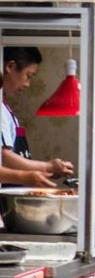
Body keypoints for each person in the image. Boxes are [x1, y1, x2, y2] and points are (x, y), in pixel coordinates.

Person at [0, 47, 71, 186]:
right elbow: (4, 157)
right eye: (29, 75)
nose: (27, 84)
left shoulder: (4, 108)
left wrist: (46, 168)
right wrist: (46, 167)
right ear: (10, 66)